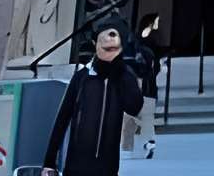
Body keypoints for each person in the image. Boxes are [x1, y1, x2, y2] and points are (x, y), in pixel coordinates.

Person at [44, 25, 143, 176]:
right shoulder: (82, 77)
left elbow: (134, 107)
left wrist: (123, 74)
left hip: (106, 167)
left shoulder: (122, 77)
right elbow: (62, 119)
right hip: (76, 166)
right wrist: (49, 162)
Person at [124, 19, 162, 159]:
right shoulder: (149, 51)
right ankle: (149, 142)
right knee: (147, 119)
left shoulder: (127, 53)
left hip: (134, 89)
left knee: (129, 118)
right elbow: (154, 70)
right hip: (148, 89)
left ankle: (128, 149)